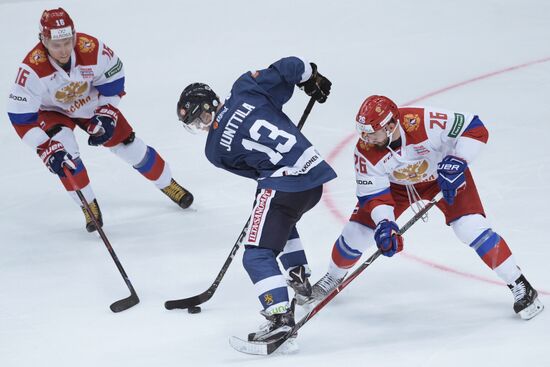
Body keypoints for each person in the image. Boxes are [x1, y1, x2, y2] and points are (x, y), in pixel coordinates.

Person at [307, 95, 544, 320]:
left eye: (371, 133)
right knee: (357, 234)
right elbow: (374, 196)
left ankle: (520, 284)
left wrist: (458, 161)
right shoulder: (365, 151)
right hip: (395, 188)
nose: (365, 139)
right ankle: (332, 278)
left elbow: (474, 126)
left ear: (390, 126)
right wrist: (385, 223)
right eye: (363, 132)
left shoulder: (425, 122)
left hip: (443, 178)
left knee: (470, 228)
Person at [176, 57, 336, 342]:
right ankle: (299, 279)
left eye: (200, 118)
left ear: (211, 105)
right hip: (313, 176)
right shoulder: (245, 87)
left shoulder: (213, 150)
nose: (202, 126)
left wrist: (265, 197)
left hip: (284, 185)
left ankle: (280, 319)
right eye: (195, 124)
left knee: (256, 255)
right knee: (280, 221)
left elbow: (256, 172)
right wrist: (311, 77)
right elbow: (290, 65)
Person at [7, 8, 193, 232]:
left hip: (89, 102)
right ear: (43, 40)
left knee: (129, 146)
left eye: (67, 41)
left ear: (74, 35)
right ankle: (88, 205)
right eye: (56, 45)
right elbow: (21, 117)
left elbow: (114, 80)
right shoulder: (31, 69)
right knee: (66, 156)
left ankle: (168, 184)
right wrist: (45, 147)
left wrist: (107, 113)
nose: (64, 50)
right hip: (50, 111)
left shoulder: (91, 48)